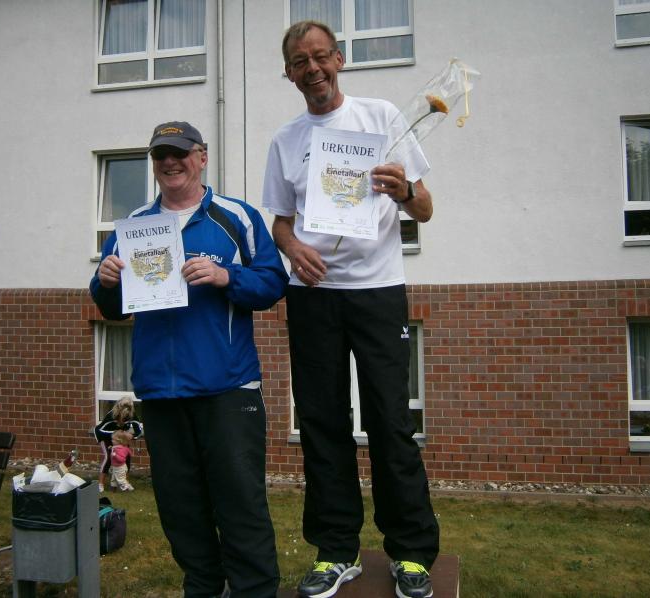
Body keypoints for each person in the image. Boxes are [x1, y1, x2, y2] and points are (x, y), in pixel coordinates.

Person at [262, 21, 440, 598]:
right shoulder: (286, 140)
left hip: (378, 291)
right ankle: (336, 550)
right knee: (322, 423)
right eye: (300, 62)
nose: (312, 69)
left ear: (339, 59)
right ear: (289, 73)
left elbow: (426, 208)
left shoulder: (382, 118)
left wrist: (402, 190)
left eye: (320, 57)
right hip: (313, 296)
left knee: (390, 420)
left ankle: (410, 552)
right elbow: (280, 223)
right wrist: (293, 250)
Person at [90, 121, 288, 598]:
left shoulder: (235, 217)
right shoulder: (135, 225)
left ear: (201, 157)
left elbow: (273, 283)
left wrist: (227, 277)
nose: (170, 162)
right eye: (160, 155)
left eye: (179, 153)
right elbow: (112, 306)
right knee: (180, 508)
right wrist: (105, 281)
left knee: (240, 503)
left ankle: (254, 591)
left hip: (228, 388)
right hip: (161, 391)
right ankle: (203, 586)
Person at [93, 396, 143, 493]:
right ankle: (100, 483)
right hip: (105, 436)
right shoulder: (111, 415)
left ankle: (125, 482)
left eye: (126, 417)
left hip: (120, 438)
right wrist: (116, 434)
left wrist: (132, 436)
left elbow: (138, 430)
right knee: (108, 458)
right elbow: (99, 431)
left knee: (126, 456)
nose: (123, 420)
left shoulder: (132, 414)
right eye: (122, 417)